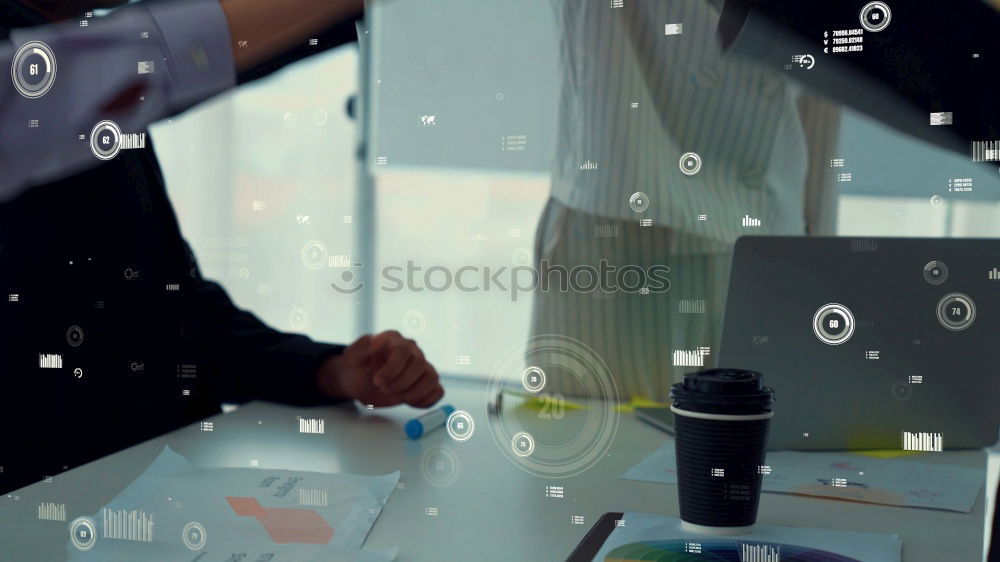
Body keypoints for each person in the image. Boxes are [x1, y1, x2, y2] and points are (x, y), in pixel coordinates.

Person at [0, 0, 443, 495]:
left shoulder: (80, 82)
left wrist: (331, 371)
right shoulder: (42, 82)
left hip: (170, 500)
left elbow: (172, 311)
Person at [532, 0, 840, 401]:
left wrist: (820, 254)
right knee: (596, 446)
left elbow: (829, 77)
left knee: (760, 451)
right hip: (615, 225)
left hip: (762, 241)